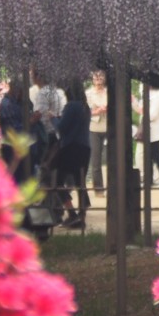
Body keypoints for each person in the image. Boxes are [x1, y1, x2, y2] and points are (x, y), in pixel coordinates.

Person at [51, 81, 92, 229]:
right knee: (80, 181)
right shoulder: (86, 107)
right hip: (85, 148)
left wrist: (53, 118)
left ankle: (72, 212)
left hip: (70, 148)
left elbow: (61, 128)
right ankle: (81, 216)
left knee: (57, 180)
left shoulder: (71, 106)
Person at [0, 79, 27, 174]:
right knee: (14, 175)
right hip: (11, 146)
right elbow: (13, 129)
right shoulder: (7, 105)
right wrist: (29, 122)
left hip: (18, 145)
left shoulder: (16, 103)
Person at [85, 71, 107, 195]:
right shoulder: (88, 93)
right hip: (94, 127)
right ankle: (98, 189)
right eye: (96, 77)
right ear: (92, 79)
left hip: (107, 126)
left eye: (101, 76)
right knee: (96, 160)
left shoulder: (108, 92)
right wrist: (97, 111)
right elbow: (86, 111)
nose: (98, 79)